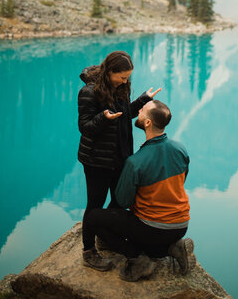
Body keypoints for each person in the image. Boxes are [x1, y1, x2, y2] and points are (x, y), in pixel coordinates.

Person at [82, 99, 196, 282]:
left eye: (142, 111)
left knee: (93, 218)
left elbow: (123, 201)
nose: (139, 111)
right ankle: (172, 247)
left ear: (148, 123)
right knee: (148, 235)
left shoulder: (136, 162)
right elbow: (183, 180)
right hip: (181, 225)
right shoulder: (180, 149)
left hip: (152, 228)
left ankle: (138, 259)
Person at [78, 50, 161, 269]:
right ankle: (88, 252)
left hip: (120, 157)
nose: (125, 81)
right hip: (96, 161)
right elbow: (85, 128)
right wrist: (102, 119)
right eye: (122, 76)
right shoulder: (89, 92)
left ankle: (104, 237)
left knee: (119, 201)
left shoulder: (121, 88)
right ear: (110, 71)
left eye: (128, 77)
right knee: (94, 206)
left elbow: (124, 114)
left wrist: (142, 101)